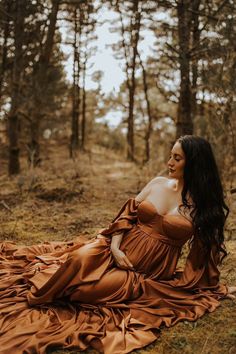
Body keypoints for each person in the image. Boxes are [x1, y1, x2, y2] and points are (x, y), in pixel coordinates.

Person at [0, 135, 235, 354]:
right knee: (77, 259)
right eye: (170, 155)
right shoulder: (158, 183)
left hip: (141, 271)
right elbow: (127, 215)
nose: (169, 162)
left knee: (85, 292)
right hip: (113, 246)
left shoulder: (204, 206)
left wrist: (205, 287)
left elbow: (203, 256)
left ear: (194, 163)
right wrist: (115, 247)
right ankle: (38, 298)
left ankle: (67, 288)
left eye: (177, 158)